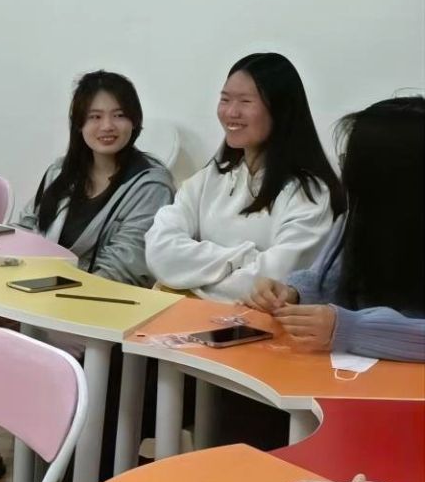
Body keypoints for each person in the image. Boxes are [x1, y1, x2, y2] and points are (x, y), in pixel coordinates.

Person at [0, 72, 173, 482]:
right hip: (37, 297)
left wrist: (44, 288)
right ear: (78, 123)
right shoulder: (63, 170)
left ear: (135, 121)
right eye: (94, 116)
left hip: (94, 313)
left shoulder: (150, 182)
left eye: (118, 115)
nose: (107, 126)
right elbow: (26, 229)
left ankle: (53, 468)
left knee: (29, 351)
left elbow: (126, 267)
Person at [146, 52, 340, 302]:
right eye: (225, 99)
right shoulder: (210, 177)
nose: (231, 112)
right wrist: (245, 258)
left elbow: (275, 284)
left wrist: (188, 281)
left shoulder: (310, 194)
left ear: (281, 110)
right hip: (188, 317)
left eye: (245, 101)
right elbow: (159, 251)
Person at [251, 95, 425, 362]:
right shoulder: (361, 217)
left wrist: (352, 329)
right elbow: (329, 278)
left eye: (352, 162)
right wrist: (293, 294)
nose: (344, 171)